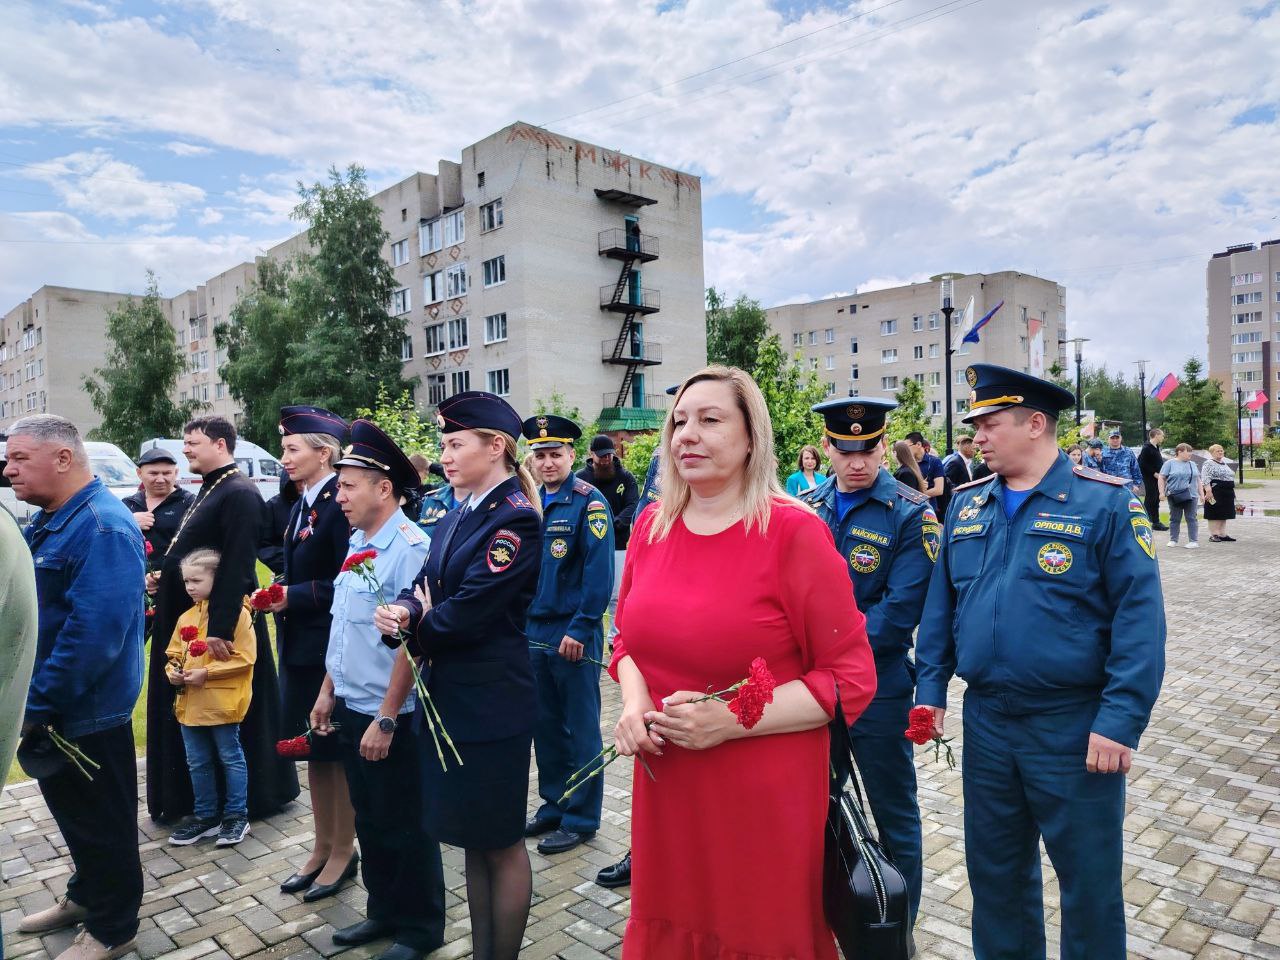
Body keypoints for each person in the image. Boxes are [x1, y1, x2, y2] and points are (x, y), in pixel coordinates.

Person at [608, 366, 877, 959]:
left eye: (710, 420)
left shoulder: (794, 533)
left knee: (754, 930)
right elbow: (624, 641)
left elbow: (850, 678)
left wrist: (730, 719)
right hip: (668, 783)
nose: (687, 434)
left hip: (761, 792)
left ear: (752, 436)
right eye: (679, 421)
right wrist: (633, 702)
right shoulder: (651, 526)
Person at [915, 364, 1166, 960]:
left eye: (990, 423)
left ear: (1035, 424)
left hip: (1072, 726)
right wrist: (930, 690)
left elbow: (1140, 621)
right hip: (988, 724)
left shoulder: (1105, 503)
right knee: (996, 877)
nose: (977, 436)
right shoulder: (969, 504)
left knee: (1089, 884)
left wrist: (1120, 720)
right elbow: (941, 606)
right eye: (976, 425)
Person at [375, 391, 543, 960]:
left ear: (495, 447)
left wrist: (418, 624)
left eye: (454, 444)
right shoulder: (456, 513)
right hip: (452, 698)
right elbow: (422, 585)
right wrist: (403, 610)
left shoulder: (514, 519)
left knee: (500, 840)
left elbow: (470, 611)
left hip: (490, 706)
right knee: (473, 838)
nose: (444, 456)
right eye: (443, 445)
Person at [7, 415, 145, 960]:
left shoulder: (102, 527)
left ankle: (114, 927)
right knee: (78, 820)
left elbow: (94, 637)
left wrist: (35, 705)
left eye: (19, 458)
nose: (8, 469)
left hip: (87, 711)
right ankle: (87, 895)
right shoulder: (55, 518)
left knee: (104, 825)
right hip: (60, 706)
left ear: (63, 458)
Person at [311, 419, 446, 960]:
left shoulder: (410, 549)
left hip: (390, 714)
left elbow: (414, 645)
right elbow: (345, 625)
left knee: (405, 823)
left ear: (383, 488)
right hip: (352, 701)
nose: (339, 496)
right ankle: (383, 911)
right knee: (370, 818)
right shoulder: (358, 540)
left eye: (348, 486)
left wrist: (387, 717)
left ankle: (419, 929)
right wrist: (328, 690)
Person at [802, 396, 937, 933]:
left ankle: (896, 932)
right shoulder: (807, 507)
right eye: (844, 450)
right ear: (827, 448)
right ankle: (831, 919)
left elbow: (900, 611)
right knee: (815, 807)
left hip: (878, 687)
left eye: (868, 450)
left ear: (884, 446)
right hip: (810, 688)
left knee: (893, 811)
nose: (856, 462)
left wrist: (825, 648)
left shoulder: (911, 512)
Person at [145, 415, 298, 823]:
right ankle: (193, 799)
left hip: (219, 626)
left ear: (219, 445)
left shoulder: (239, 492)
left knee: (225, 712)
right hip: (190, 616)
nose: (186, 450)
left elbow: (236, 565)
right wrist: (169, 575)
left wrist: (220, 629)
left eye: (192, 443)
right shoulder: (213, 486)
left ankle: (247, 800)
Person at [259, 407, 358, 899]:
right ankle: (321, 846)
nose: (284, 457)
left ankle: (344, 851)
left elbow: (351, 579)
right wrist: (281, 591)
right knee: (314, 751)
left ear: (324, 453)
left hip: (327, 648)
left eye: (292, 449)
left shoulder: (339, 505)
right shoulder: (305, 501)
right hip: (301, 646)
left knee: (333, 750)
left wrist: (292, 596)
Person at [522, 414, 614, 855]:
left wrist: (580, 627)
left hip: (573, 631)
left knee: (580, 729)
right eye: (540, 455)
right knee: (545, 726)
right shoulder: (529, 501)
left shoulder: (589, 503)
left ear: (572, 455)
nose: (548, 462)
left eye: (555, 454)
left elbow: (599, 575)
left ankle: (581, 818)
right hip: (534, 631)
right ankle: (555, 805)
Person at [165, 548, 256, 847]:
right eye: (186, 581)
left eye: (196, 580)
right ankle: (205, 816)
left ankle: (236, 815)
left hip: (222, 704)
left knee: (230, 758)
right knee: (197, 761)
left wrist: (208, 672)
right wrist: (173, 671)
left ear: (217, 579)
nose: (189, 587)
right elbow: (173, 653)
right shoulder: (186, 617)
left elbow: (246, 657)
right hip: (190, 705)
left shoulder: (237, 614)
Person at [124, 447, 195, 564]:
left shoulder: (190, 503)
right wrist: (129, 522)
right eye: (153, 473)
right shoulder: (128, 504)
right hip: (136, 573)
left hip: (174, 574)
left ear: (176, 473)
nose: (160, 479)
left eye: (167, 473)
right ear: (139, 473)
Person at [1158, 443, 1200, 549]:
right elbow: (1161, 477)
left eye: (1191, 451)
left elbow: (1198, 480)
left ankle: (1193, 541)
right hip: (1175, 494)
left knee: (1191, 518)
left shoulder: (1192, 464)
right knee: (1175, 518)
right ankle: (1173, 540)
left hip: (1192, 495)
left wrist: (1202, 494)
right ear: (1179, 452)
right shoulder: (1169, 463)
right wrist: (1161, 492)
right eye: (1188, 451)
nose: (1190, 454)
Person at [1201, 444, 1237, 542]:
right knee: (1214, 512)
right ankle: (1214, 534)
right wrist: (1208, 491)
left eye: (1221, 450)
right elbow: (1205, 477)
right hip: (1215, 491)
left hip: (1227, 492)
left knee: (1224, 513)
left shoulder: (1223, 463)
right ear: (1212, 453)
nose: (1220, 452)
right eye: (1218, 451)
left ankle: (1222, 534)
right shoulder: (1208, 463)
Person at [1138, 428, 1169, 531]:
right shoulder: (1146, 448)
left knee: (1156, 499)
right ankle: (1144, 521)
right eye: (1162, 435)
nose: (1163, 437)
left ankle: (1156, 522)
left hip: (1158, 478)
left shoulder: (1156, 447)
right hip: (1150, 477)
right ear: (1156, 435)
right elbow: (1142, 463)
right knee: (1150, 499)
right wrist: (1154, 473)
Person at [1099, 428, 1142, 493]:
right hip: (1109, 487)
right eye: (1112, 438)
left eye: (1117, 438)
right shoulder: (1103, 453)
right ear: (1108, 439)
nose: (1115, 440)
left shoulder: (1128, 452)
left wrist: (1136, 485)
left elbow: (1135, 469)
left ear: (1121, 438)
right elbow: (1099, 470)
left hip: (1126, 487)